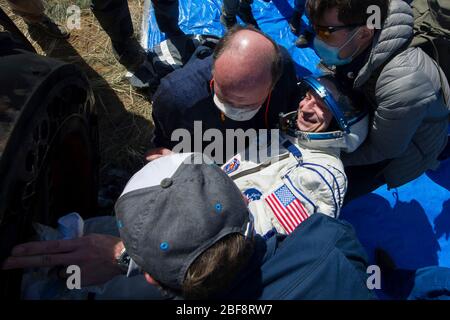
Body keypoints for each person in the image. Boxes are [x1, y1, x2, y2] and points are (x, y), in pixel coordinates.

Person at [2, 152, 375, 300]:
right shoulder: (328, 238)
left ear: (148, 278)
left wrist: (119, 258)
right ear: (246, 202)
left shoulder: (131, 294)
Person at [306, 0, 450, 201]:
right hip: (387, 116)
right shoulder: (357, 34)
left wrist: (324, 159)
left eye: (325, 32)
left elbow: (383, 149)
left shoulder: (405, 83)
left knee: (332, 189)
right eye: (313, 27)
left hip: (399, 151)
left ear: (364, 34)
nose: (316, 38)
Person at [223, 74, 369, 237]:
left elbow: (262, 230)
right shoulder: (287, 134)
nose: (305, 108)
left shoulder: (321, 175)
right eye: (307, 98)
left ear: (339, 125)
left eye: (321, 106)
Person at [150, 25, 298, 164]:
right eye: (224, 97)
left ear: (272, 85)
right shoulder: (175, 97)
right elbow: (168, 145)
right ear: (212, 70)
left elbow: (289, 116)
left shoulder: (284, 69)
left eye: (248, 104)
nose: (235, 110)